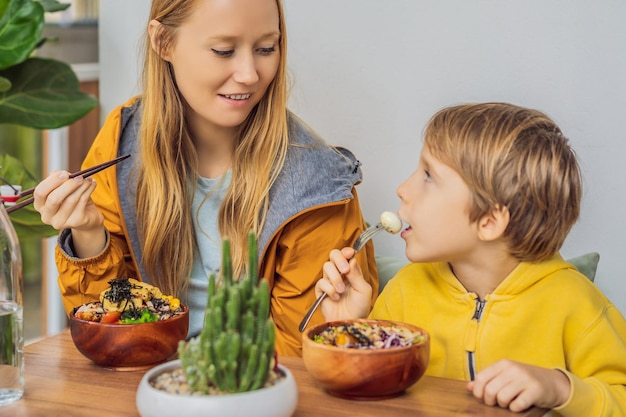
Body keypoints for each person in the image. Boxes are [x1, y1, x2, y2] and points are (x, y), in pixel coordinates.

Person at [32, 0, 378, 356]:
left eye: (266, 48)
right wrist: (88, 234)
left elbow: (298, 360)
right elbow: (106, 328)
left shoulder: (318, 187)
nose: (249, 74)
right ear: (163, 42)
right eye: (223, 50)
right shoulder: (121, 140)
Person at [316, 102, 626, 415]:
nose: (402, 189)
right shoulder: (404, 292)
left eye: (428, 176)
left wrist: (560, 388)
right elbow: (372, 397)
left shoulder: (578, 305)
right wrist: (348, 330)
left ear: (489, 221)